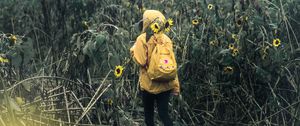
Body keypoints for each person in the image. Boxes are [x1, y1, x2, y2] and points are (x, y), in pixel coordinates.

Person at [130, 10, 180, 126]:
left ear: (147, 22)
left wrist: (133, 51)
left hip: (149, 85)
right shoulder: (167, 39)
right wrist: (176, 86)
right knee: (164, 114)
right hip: (165, 84)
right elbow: (171, 62)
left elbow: (141, 61)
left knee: (149, 115)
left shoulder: (142, 39)